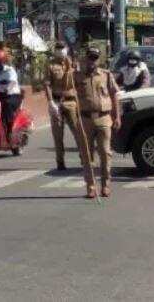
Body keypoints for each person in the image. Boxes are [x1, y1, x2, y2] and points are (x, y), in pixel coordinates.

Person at [44, 42, 96, 198]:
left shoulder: (74, 64)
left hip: (72, 100)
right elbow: (47, 84)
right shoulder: (51, 65)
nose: (60, 51)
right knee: (57, 134)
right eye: (58, 48)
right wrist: (50, 102)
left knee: (78, 132)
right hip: (57, 101)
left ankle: (84, 160)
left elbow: (82, 82)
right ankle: (60, 162)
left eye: (62, 48)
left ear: (67, 50)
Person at [75, 46, 120, 198]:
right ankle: (90, 186)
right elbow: (67, 92)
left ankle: (106, 185)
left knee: (105, 153)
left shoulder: (106, 75)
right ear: (85, 58)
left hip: (104, 118)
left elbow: (114, 95)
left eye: (95, 58)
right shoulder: (77, 76)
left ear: (98, 59)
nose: (92, 61)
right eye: (90, 57)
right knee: (87, 155)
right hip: (85, 119)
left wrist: (117, 116)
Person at [0, 45, 22, 137]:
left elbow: (13, 82)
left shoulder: (10, 70)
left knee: (6, 104)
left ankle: (10, 129)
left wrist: (7, 88)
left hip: (11, 95)